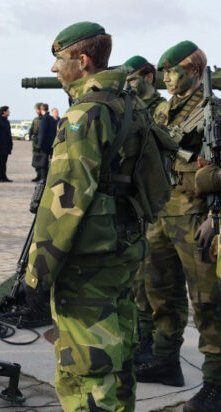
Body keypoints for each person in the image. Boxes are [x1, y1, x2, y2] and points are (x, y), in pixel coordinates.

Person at [25, 22, 151, 411]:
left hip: (87, 261)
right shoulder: (130, 104)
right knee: (120, 353)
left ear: (82, 61)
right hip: (124, 247)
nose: (54, 70)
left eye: (58, 60)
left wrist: (37, 273)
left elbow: (65, 201)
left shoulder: (86, 114)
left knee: (87, 369)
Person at [138, 41, 221, 411]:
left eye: (173, 71)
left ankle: (216, 383)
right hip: (162, 215)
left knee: (209, 303)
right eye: (165, 72)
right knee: (161, 293)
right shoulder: (164, 112)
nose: (166, 78)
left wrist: (216, 218)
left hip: (198, 219)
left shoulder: (213, 111)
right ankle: (166, 361)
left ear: (192, 70)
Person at [123, 55, 168, 366]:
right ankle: (142, 341)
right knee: (138, 282)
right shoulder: (130, 110)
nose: (129, 86)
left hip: (166, 208)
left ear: (149, 77)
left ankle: (156, 349)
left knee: (158, 285)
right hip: (139, 207)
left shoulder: (161, 111)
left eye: (133, 79)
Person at [37, 103, 56, 179]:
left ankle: (43, 179)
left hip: (44, 146)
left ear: (41, 110)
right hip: (51, 144)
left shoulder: (44, 119)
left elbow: (42, 133)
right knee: (50, 163)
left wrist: (39, 145)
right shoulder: (52, 119)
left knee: (43, 164)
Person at [29, 103, 43, 181]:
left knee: (42, 159)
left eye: (37, 109)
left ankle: (41, 176)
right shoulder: (35, 119)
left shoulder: (44, 119)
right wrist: (30, 135)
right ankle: (38, 175)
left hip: (41, 141)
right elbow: (31, 129)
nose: (36, 111)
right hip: (35, 142)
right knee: (36, 159)